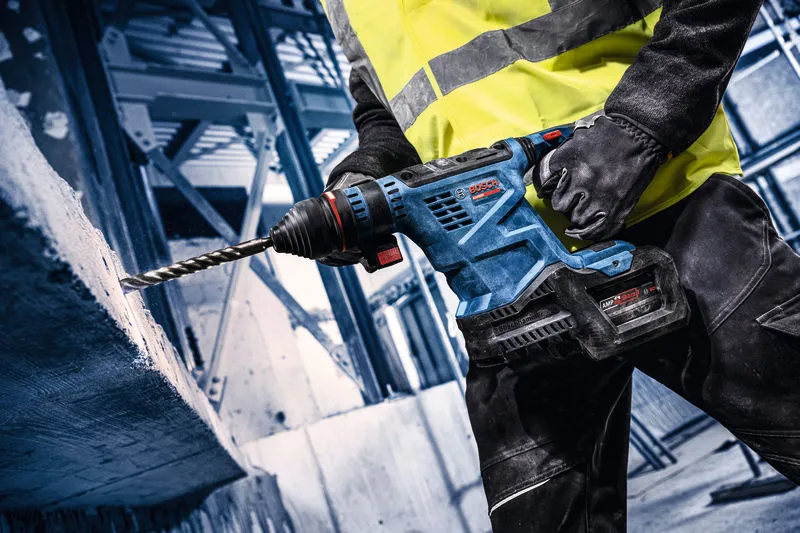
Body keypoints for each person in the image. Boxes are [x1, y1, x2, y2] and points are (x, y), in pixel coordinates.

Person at [319, 0, 800, 530]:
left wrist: (640, 125)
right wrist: (368, 170)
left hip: (666, 209)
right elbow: (387, 104)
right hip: (503, 283)